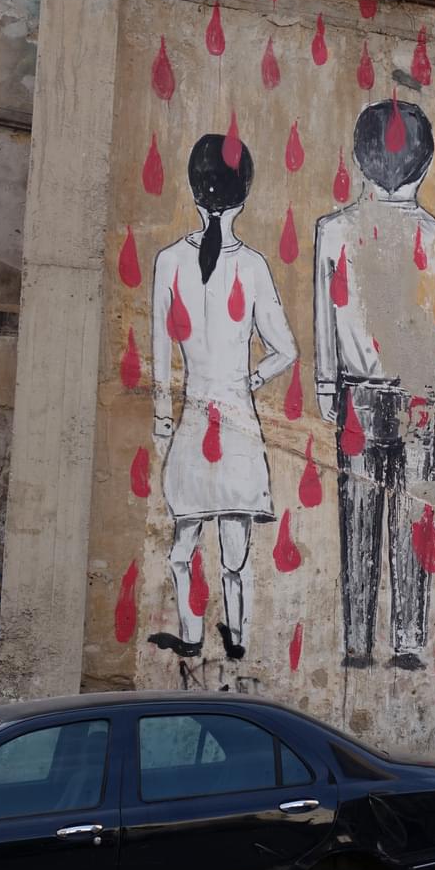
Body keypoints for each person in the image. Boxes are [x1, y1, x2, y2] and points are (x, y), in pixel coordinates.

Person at [314, 99, 435, 668]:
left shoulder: (334, 231)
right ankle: (408, 640)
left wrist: (326, 385)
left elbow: (325, 318)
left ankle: (357, 641)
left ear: (359, 159)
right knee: (413, 522)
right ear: (425, 165)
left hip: (356, 392)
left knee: (358, 517)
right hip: (422, 398)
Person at [149, 133, 297, 661]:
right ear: (245, 195)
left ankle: (192, 637)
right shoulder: (252, 266)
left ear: (194, 191)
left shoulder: (170, 260)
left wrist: (162, 419)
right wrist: (249, 381)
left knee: (183, 545)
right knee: (235, 551)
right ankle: (236, 641)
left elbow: (160, 351)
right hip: (237, 422)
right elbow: (286, 350)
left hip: (193, 419)